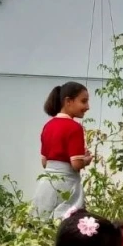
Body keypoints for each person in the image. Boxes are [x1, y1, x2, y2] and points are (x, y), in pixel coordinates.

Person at [31, 82, 92, 219]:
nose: (87, 107)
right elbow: (76, 164)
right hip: (67, 185)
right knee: (69, 225)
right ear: (68, 101)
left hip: (47, 185)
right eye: (84, 101)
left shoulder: (48, 126)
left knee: (42, 224)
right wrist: (85, 160)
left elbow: (44, 162)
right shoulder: (74, 127)